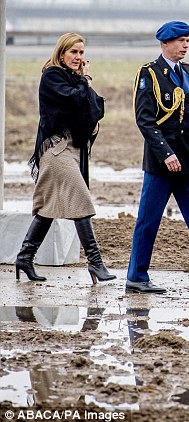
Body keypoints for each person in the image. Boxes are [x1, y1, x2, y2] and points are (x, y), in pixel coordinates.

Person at [126, 21, 189, 294]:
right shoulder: (150, 74)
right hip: (160, 164)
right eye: (180, 40)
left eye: (188, 40)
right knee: (149, 220)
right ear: (165, 43)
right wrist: (166, 153)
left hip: (188, 162)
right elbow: (145, 121)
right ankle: (136, 277)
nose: (185, 45)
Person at [15, 32, 115, 285]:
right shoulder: (52, 76)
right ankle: (95, 262)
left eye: (82, 53)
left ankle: (25, 257)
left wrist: (90, 116)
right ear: (61, 53)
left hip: (74, 149)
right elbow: (76, 99)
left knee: (48, 208)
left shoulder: (75, 79)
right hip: (56, 149)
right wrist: (85, 81)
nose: (79, 58)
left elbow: (96, 109)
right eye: (74, 52)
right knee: (80, 199)